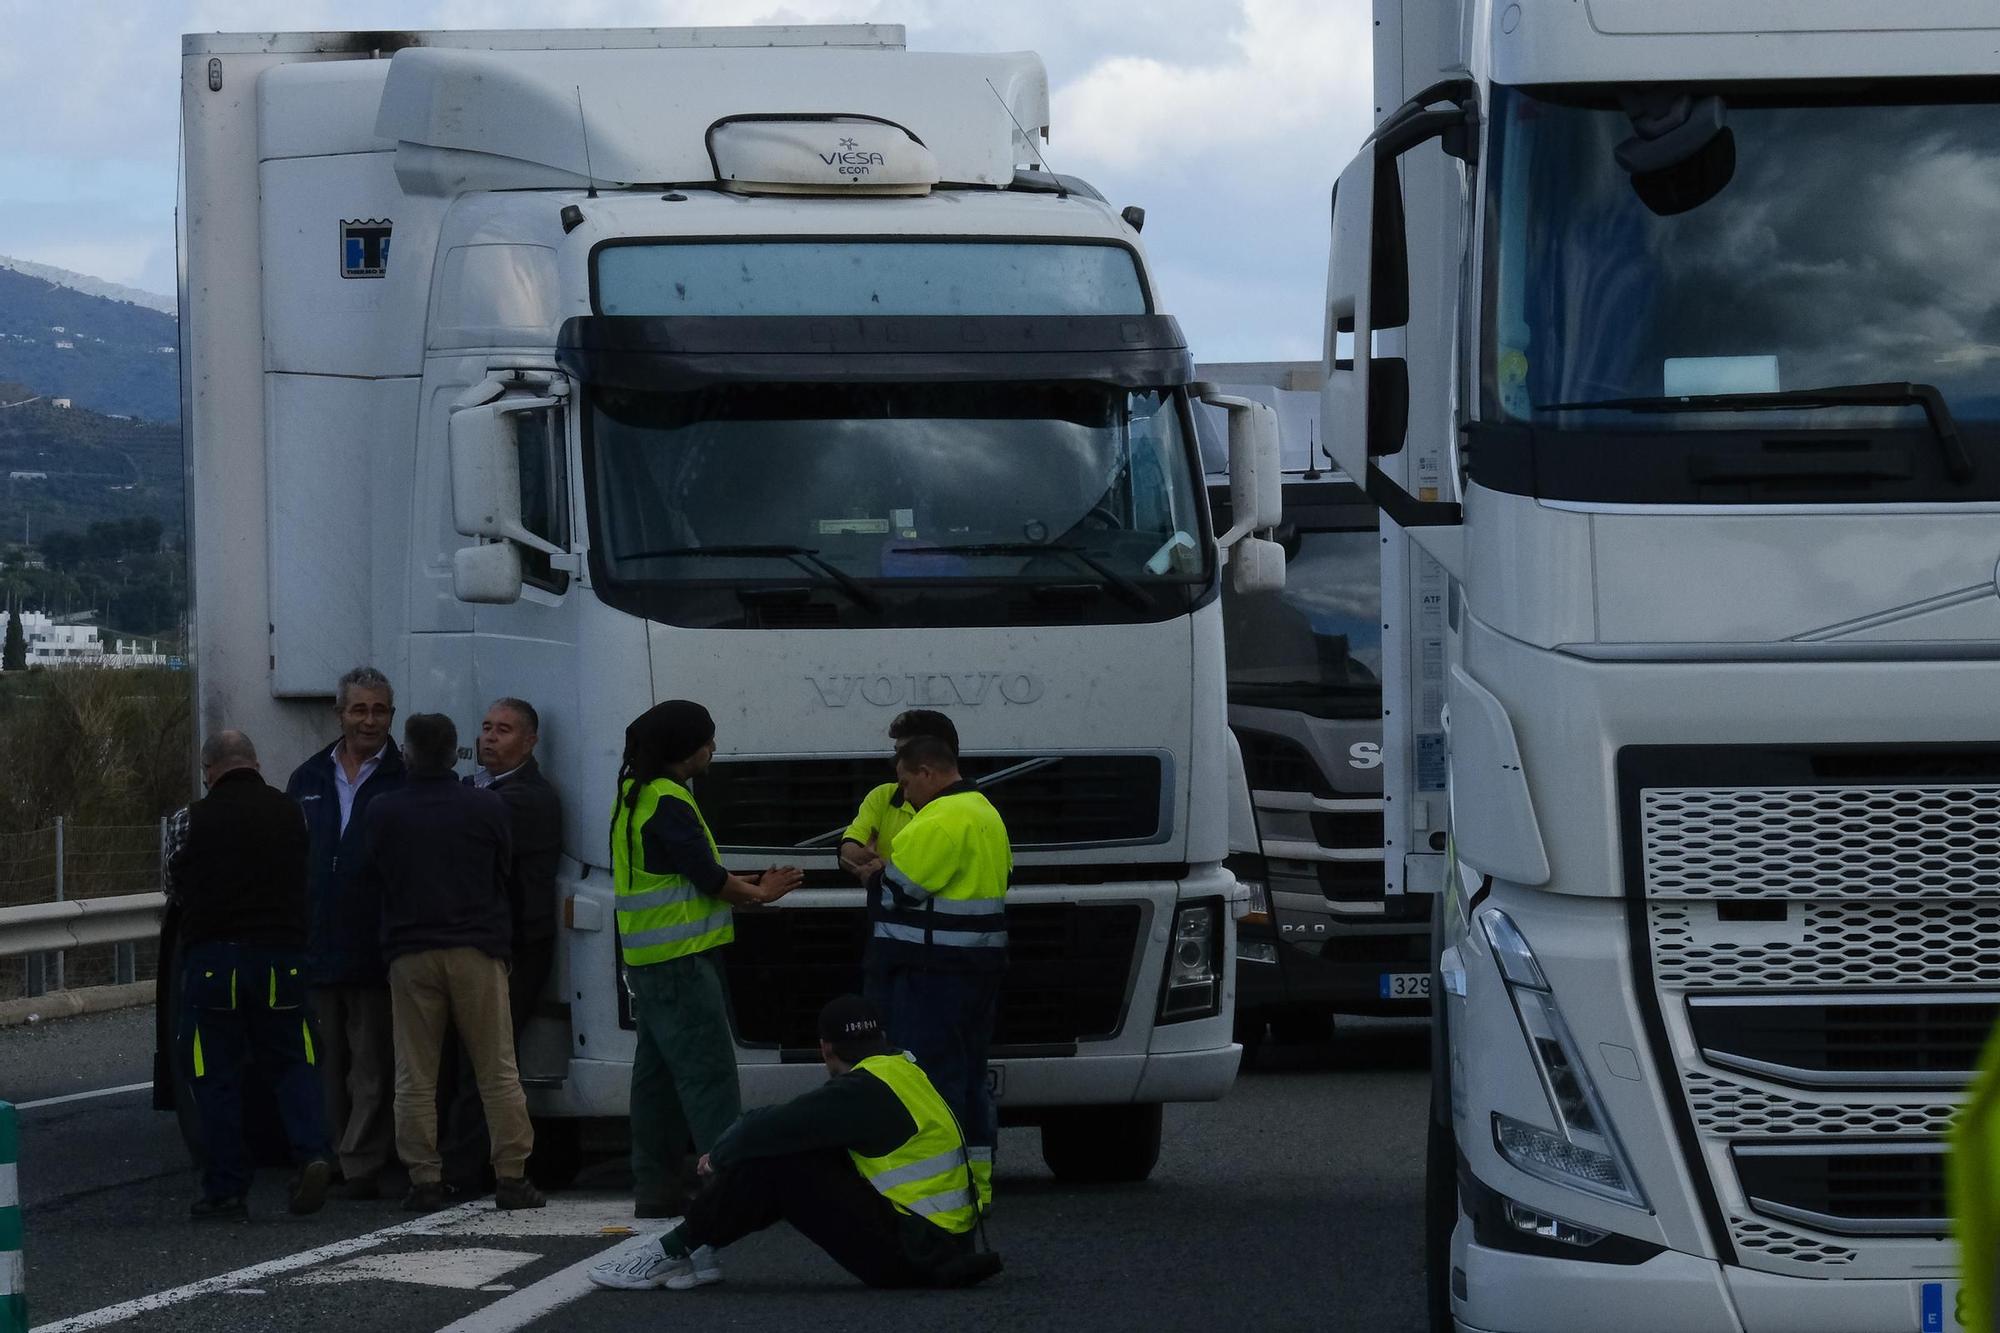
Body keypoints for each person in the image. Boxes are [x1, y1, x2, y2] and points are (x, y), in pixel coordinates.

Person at [588, 994, 995, 1293]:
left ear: (826, 1047)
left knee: (780, 1165)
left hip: (916, 1258)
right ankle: (699, 1248)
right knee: (799, 1149)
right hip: (944, 1247)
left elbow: (767, 1126)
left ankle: (672, 1252)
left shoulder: (861, 1090)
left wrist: (721, 1155)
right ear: (882, 1037)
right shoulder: (905, 1072)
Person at [613, 700, 803, 1228]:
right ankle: (729, 1187)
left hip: (648, 960)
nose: (713, 749)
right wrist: (762, 893)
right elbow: (706, 877)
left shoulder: (635, 792)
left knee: (654, 1082)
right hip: (682, 962)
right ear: (686, 749)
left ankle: (655, 1188)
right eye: (708, 741)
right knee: (709, 1077)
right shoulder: (671, 800)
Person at [363, 712, 545, 1211]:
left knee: (415, 1073)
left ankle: (423, 1177)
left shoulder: (383, 811)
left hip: (409, 952)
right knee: (497, 1068)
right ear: (455, 753)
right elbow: (503, 872)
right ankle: (511, 1175)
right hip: (476, 949)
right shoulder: (486, 808)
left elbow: (372, 875)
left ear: (408, 752)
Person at [170, 730, 335, 1220]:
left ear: (208, 769)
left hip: (214, 961)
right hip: (281, 959)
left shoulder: (188, 819)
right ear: (256, 762)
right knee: (294, 1061)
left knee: (212, 1072)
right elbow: (306, 877)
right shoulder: (293, 812)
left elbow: (173, 886)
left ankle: (226, 1189)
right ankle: (311, 1153)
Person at [868, 733, 1011, 1212]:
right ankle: (976, 1185)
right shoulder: (985, 812)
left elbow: (897, 890)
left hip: (932, 973)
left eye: (906, 782)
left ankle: (936, 1190)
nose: (904, 793)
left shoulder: (939, 819)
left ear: (927, 772)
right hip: (978, 968)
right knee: (970, 1080)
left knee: (928, 1083)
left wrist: (872, 871)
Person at [286, 665, 405, 1199]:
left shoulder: (403, 778)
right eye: (359, 709)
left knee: (372, 1066)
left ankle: (361, 1163)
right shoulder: (308, 778)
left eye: (379, 709)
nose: (369, 720)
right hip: (316, 944)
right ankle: (329, 1155)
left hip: (376, 947)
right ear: (339, 714)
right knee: (323, 1064)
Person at [439, 697, 563, 1194]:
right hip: (476, 943)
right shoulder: (475, 790)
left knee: (486, 1059)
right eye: (486, 727)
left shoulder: (530, 797)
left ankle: (467, 1169)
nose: (489, 737)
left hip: (517, 946)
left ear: (531, 741)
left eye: (504, 730)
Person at [837, 708, 961, 886]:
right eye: (897, 752)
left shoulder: (964, 811)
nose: (896, 762)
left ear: (936, 755)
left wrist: (884, 870)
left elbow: (934, 872)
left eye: (905, 754)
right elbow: (849, 849)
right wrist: (858, 856)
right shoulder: (883, 796)